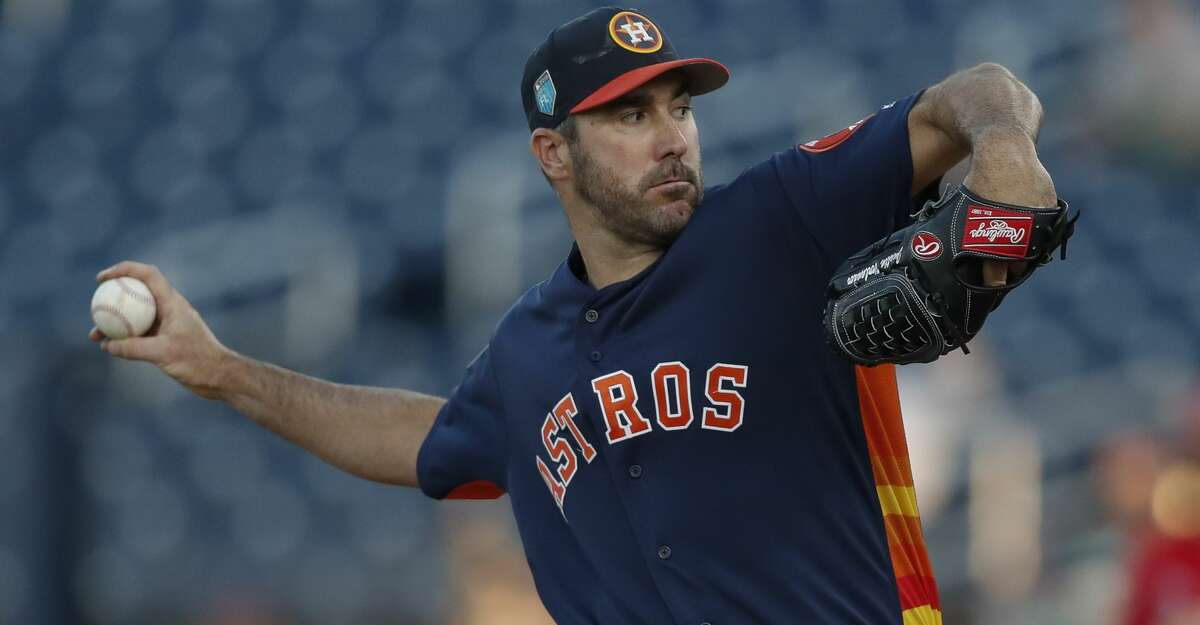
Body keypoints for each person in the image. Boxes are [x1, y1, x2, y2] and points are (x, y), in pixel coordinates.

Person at [91, 7, 1058, 624]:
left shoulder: (780, 218)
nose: (673, 137)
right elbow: (423, 439)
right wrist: (220, 368)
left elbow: (980, 93)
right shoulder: (528, 349)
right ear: (554, 155)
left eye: (678, 107)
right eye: (631, 118)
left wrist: (1006, 154)